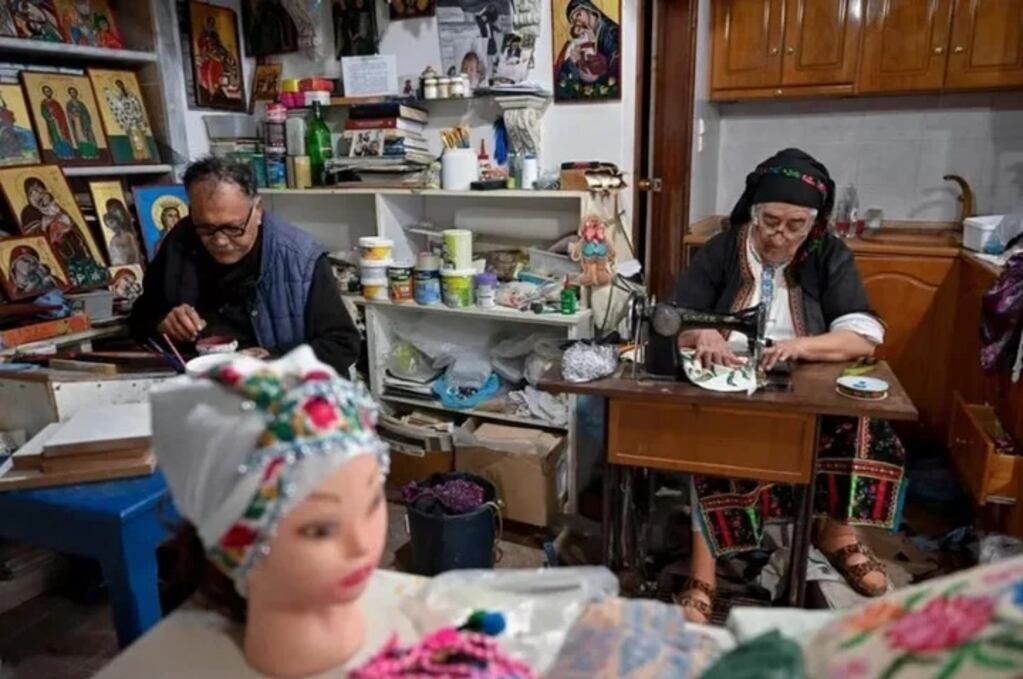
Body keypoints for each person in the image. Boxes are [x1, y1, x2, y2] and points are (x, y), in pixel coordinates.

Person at [672, 148, 905, 623]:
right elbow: (677, 317)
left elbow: (863, 336)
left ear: (813, 222)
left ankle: (837, 536)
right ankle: (704, 569)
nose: (780, 235)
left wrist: (804, 346)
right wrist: (706, 332)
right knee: (710, 440)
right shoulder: (726, 248)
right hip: (735, 375)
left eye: (794, 224)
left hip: (807, 376)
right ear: (754, 214)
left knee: (864, 425)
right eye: (770, 222)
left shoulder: (827, 252)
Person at [129, 156, 362, 374]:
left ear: (258, 210)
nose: (220, 241)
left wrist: (273, 359)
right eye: (206, 228)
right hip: (201, 388)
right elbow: (138, 321)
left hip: (280, 391)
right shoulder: (180, 242)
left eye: (233, 228)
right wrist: (164, 323)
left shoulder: (299, 257)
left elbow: (342, 344)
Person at [554, 0, 620, 96]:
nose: (577, 22)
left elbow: (616, 62)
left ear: (589, 9)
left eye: (578, 15)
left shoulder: (611, 31)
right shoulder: (582, 39)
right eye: (574, 21)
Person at [104, 79, 152, 161]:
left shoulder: (131, 94)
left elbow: (137, 105)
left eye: (120, 84)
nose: (120, 86)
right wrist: (108, 93)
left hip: (136, 118)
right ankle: (138, 155)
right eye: (118, 85)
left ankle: (146, 154)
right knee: (133, 138)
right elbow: (116, 105)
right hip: (128, 120)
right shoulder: (119, 97)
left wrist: (140, 116)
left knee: (140, 136)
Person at [103, 198, 143, 265]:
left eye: (116, 210)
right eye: (111, 212)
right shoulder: (115, 239)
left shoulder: (136, 222)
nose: (115, 214)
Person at [38, 85, 74, 159]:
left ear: (51, 92)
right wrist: (49, 115)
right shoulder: (44, 103)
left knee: (63, 137)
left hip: (60, 123)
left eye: (49, 91)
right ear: (44, 93)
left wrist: (59, 117)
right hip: (52, 124)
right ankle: (60, 154)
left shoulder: (56, 102)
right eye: (46, 92)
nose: (48, 93)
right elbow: (43, 112)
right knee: (56, 138)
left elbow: (61, 112)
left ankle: (68, 154)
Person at [65, 86, 98, 159]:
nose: (73, 94)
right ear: (70, 94)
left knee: (88, 137)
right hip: (77, 123)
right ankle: (85, 153)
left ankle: (92, 153)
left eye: (74, 92)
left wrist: (84, 117)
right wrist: (74, 115)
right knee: (81, 138)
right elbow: (69, 114)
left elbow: (86, 113)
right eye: (71, 93)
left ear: (76, 93)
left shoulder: (81, 103)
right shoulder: (69, 104)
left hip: (84, 122)